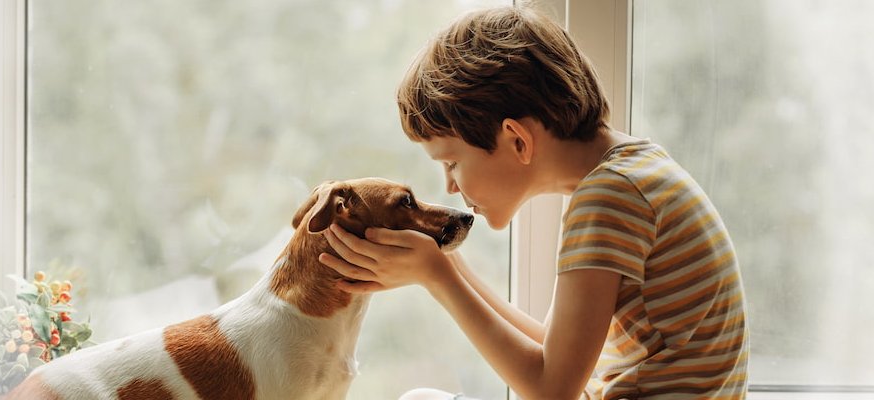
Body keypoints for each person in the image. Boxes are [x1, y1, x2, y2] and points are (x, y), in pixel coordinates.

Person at [317, 5, 749, 400]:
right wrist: (448, 267)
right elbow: (554, 347)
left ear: (517, 140)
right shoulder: (631, 174)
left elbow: (552, 390)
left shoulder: (608, 199)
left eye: (451, 163)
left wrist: (440, 280)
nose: (449, 186)